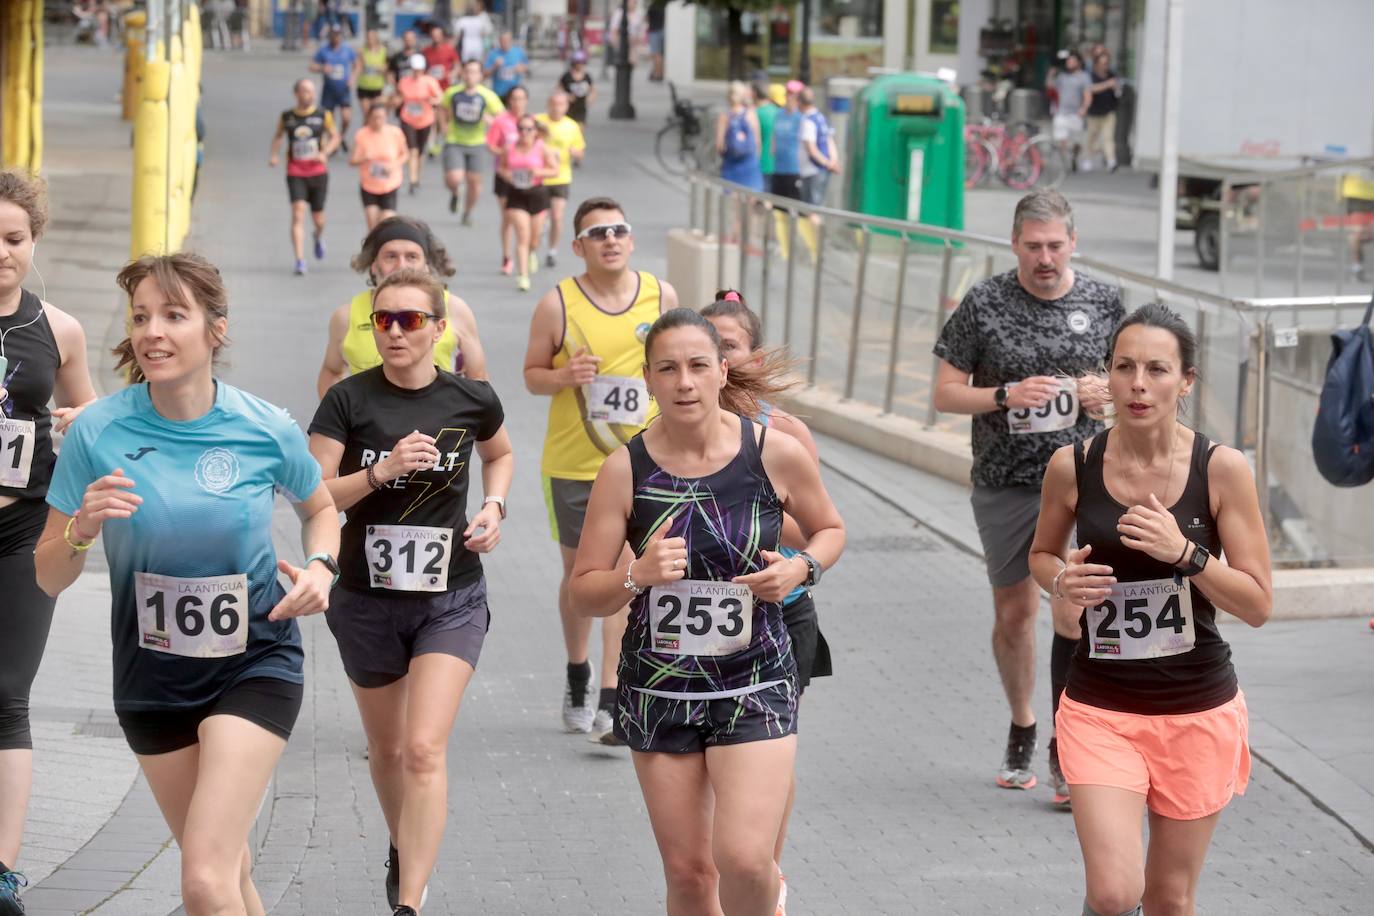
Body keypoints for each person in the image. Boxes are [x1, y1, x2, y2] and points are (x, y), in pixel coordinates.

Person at [34, 252, 341, 916]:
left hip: (256, 661)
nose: (153, 332)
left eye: (175, 315)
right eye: (142, 316)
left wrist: (322, 567)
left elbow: (320, 509)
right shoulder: (96, 431)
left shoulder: (263, 427)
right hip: (150, 680)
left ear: (215, 330)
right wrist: (81, 530)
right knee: (229, 869)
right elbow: (48, 573)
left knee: (203, 880)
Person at [568, 306, 845, 915]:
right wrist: (633, 576)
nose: (684, 382)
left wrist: (802, 569)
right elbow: (582, 589)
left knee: (744, 859)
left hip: (757, 677)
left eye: (698, 366)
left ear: (723, 370)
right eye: (668, 369)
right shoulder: (625, 470)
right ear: (649, 378)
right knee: (691, 875)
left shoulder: (774, 453)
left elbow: (829, 530)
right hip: (659, 688)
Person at [1028, 303, 1272, 915]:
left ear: (1185, 381)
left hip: (1197, 707)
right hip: (1099, 704)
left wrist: (1186, 554)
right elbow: (1039, 554)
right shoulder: (1073, 465)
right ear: (1106, 376)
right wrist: (1063, 582)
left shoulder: (1220, 469)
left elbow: (1259, 603)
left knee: (1169, 899)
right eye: (1125, 366)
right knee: (1114, 893)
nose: (1139, 384)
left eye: (1157, 369)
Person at [309, 268, 512, 916]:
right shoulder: (347, 400)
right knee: (390, 749)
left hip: (450, 598)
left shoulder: (471, 398)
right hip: (365, 600)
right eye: (384, 320)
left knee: (424, 746)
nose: (395, 331)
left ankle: (411, 903)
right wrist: (382, 470)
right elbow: (313, 496)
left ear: (439, 328)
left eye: (411, 319)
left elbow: (499, 454)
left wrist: (495, 507)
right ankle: (404, 842)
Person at [931, 189, 1121, 802]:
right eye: (1033, 246)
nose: (1045, 257)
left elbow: (1133, 384)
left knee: (1073, 605)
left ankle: (1070, 741)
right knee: (1015, 614)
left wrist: (1106, 396)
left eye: (1055, 245)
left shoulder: (1103, 301)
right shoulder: (983, 304)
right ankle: (1023, 721)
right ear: (1014, 244)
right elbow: (944, 392)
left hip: (1087, 475)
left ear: (1074, 243)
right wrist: (1003, 396)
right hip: (1007, 480)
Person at [522, 197, 680, 741]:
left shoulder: (662, 296)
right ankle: (577, 669)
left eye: (619, 230)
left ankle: (613, 692)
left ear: (631, 239)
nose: (610, 239)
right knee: (581, 578)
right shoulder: (557, 304)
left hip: (644, 462)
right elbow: (531, 376)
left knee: (625, 573)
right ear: (578, 247)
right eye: (597, 233)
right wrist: (564, 376)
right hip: (573, 462)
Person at [701, 291, 831, 881]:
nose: (716, 361)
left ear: (750, 356)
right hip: (693, 621)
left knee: (766, 751)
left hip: (777, 617)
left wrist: (760, 512)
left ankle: (763, 877)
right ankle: (717, 868)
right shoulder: (666, 428)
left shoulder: (786, 434)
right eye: (705, 349)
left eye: (727, 347)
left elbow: (820, 528)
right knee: (699, 764)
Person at [0, 170, 98, 916]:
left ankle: (2, 871)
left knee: (7, 696)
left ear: (35, 242)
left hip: (22, 534)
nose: (3, 253)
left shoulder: (58, 329)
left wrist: (77, 429)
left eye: (14, 239)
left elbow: (91, 417)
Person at [318, 216, 487, 399]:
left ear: (426, 266)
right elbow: (331, 371)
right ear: (374, 266)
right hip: (368, 424)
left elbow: (477, 378)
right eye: (391, 257)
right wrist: (338, 421)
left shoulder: (454, 309)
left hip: (437, 421)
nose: (401, 265)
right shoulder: (345, 316)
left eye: (412, 257)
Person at [269, 78, 340, 276]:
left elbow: (335, 136)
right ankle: (300, 260)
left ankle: (318, 236)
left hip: (317, 172)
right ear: (297, 94)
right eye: (305, 91)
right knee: (298, 212)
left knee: (318, 218)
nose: (309, 94)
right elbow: (278, 136)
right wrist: (274, 155)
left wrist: (325, 152)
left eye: (311, 91)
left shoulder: (322, 115)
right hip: (296, 171)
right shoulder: (287, 116)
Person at [439, 58, 505, 225]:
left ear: (480, 75)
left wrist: (490, 123)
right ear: (462, 73)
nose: (470, 75)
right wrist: (443, 125)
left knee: (474, 184)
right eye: (467, 71)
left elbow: (502, 118)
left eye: (474, 72)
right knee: (454, 178)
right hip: (455, 140)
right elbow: (442, 108)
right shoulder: (452, 92)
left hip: (478, 143)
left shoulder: (487, 95)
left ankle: (467, 212)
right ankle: (455, 193)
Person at [498, 115, 559, 292]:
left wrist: (538, 171)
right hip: (516, 195)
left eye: (529, 129)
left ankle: (532, 252)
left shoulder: (542, 148)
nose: (525, 133)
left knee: (534, 238)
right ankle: (523, 276)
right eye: (521, 129)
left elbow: (555, 170)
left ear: (535, 131)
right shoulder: (509, 148)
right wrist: (507, 175)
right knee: (522, 235)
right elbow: (501, 167)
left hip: (537, 194)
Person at [534, 91, 586, 268]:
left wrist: (575, 153)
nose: (557, 108)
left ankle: (552, 251)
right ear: (548, 104)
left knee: (557, 216)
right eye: (554, 104)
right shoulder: (537, 121)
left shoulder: (572, 127)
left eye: (561, 104)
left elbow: (580, 152)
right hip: (539, 177)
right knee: (538, 219)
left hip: (561, 177)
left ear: (566, 106)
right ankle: (533, 245)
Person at [485, 85, 528, 276]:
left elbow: (541, 145)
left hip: (528, 176)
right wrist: (505, 152)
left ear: (526, 101)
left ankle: (529, 248)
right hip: (504, 175)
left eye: (521, 98)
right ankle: (507, 257)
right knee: (509, 217)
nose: (518, 102)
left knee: (528, 218)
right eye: (514, 98)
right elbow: (491, 145)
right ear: (509, 101)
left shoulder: (531, 122)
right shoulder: (501, 121)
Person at [351, 103, 409, 229]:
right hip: (369, 185)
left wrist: (393, 165)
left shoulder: (395, 133)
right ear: (369, 118)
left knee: (386, 223)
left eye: (381, 117)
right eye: (375, 117)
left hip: (389, 184)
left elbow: (405, 154)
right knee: (372, 226)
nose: (378, 121)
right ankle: (372, 248)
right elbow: (352, 161)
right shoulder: (362, 134)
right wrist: (364, 158)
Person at [396, 55, 444, 194]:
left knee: (421, 150)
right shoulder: (404, 81)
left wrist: (433, 101)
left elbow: (439, 96)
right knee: (412, 149)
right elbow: (399, 96)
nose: (416, 72)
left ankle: (417, 175)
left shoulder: (430, 82)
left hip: (425, 119)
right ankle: (412, 180)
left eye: (419, 69)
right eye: (414, 69)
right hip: (408, 118)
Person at [310, 25, 358, 150]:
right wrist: (322, 68)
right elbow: (312, 66)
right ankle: (332, 140)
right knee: (328, 118)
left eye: (338, 35)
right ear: (330, 35)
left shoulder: (347, 50)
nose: (336, 37)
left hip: (343, 89)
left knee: (346, 117)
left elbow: (357, 65)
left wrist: (352, 77)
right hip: (329, 89)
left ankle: (340, 136)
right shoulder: (324, 50)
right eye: (334, 34)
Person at [717, 81, 763, 193]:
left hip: (731, 165)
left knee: (733, 204)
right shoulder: (751, 115)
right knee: (750, 202)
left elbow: (719, 146)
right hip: (750, 165)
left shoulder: (724, 117)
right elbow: (757, 142)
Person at [1049, 52, 1092, 171]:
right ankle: (1065, 162)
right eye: (1068, 61)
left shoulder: (1084, 77)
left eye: (1072, 61)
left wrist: (1084, 108)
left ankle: (1074, 156)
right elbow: (1051, 88)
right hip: (1061, 112)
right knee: (1062, 139)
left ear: (1078, 62)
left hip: (1076, 114)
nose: (1069, 63)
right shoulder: (1062, 76)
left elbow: (1088, 94)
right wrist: (1051, 74)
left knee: (1076, 142)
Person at [799, 86, 840, 207]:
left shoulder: (808, 121)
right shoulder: (821, 117)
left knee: (810, 210)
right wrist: (832, 161)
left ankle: (817, 226)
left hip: (812, 170)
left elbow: (811, 149)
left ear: (800, 102)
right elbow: (830, 141)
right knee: (818, 206)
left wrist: (827, 164)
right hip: (823, 170)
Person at [1083, 52, 1119, 172]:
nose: (1105, 65)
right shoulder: (1091, 76)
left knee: (1108, 137)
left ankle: (1111, 161)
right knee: (1092, 137)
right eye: (1103, 63)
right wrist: (1107, 84)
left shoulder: (1111, 75)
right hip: (1094, 112)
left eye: (1107, 63)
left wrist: (1116, 88)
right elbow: (1091, 88)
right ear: (1097, 64)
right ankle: (1088, 159)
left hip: (1108, 111)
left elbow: (1118, 92)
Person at [484, 31, 529, 103]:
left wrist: (521, 68)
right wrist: (494, 66)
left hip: (513, 93)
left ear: (511, 41)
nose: (505, 43)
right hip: (499, 93)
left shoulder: (518, 52)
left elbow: (526, 67)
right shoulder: (493, 54)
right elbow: (485, 74)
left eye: (507, 40)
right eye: (503, 41)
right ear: (499, 41)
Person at [356, 29, 391, 118]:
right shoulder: (362, 51)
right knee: (367, 115)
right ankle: (365, 131)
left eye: (371, 37)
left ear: (376, 38)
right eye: (368, 37)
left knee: (376, 115)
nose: (369, 39)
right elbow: (358, 67)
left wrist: (382, 68)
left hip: (378, 87)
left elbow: (388, 67)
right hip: (364, 86)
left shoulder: (383, 51)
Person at [558, 50, 596, 125]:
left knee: (580, 126)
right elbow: (559, 89)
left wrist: (590, 98)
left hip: (581, 106)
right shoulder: (567, 76)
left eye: (581, 63)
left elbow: (592, 89)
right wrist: (566, 96)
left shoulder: (586, 76)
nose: (580, 65)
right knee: (568, 125)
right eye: (578, 63)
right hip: (569, 106)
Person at [421, 24, 460, 90]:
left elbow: (457, 65)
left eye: (438, 35)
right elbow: (422, 67)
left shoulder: (449, 49)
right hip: (431, 85)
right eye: (434, 35)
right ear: (431, 36)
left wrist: (452, 74)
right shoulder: (425, 51)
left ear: (442, 36)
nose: (436, 37)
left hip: (445, 85)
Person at [645, 0, 666, 82]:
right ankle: (659, 73)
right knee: (660, 54)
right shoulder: (663, 5)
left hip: (654, 31)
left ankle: (657, 74)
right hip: (661, 30)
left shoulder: (653, 5)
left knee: (656, 54)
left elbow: (647, 18)